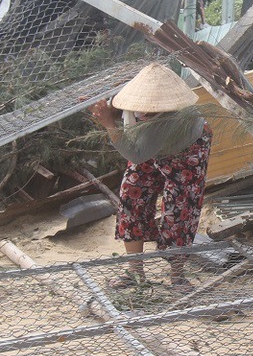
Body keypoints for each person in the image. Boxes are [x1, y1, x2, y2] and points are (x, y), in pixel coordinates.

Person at [89, 62, 212, 288]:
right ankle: (135, 271)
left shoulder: (169, 117)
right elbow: (119, 112)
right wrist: (103, 111)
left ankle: (177, 275)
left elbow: (136, 154)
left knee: (179, 208)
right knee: (131, 197)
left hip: (186, 149)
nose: (144, 111)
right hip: (146, 143)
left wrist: (108, 124)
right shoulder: (133, 95)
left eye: (151, 109)